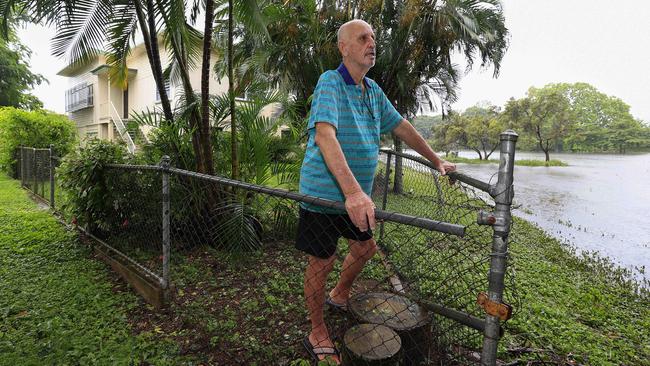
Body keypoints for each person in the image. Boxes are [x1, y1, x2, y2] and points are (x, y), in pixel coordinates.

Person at [295, 19, 456, 364]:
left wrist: (437, 160)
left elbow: (403, 127)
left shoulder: (373, 91)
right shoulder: (330, 82)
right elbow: (325, 135)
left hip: (356, 199)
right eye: (363, 38)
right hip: (323, 195)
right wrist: (353, 193)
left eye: (373, 38)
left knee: (365, 249)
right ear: (344, 47)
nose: (372, 43)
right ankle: (317, 330)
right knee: (321, 262)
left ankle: (340, 293)